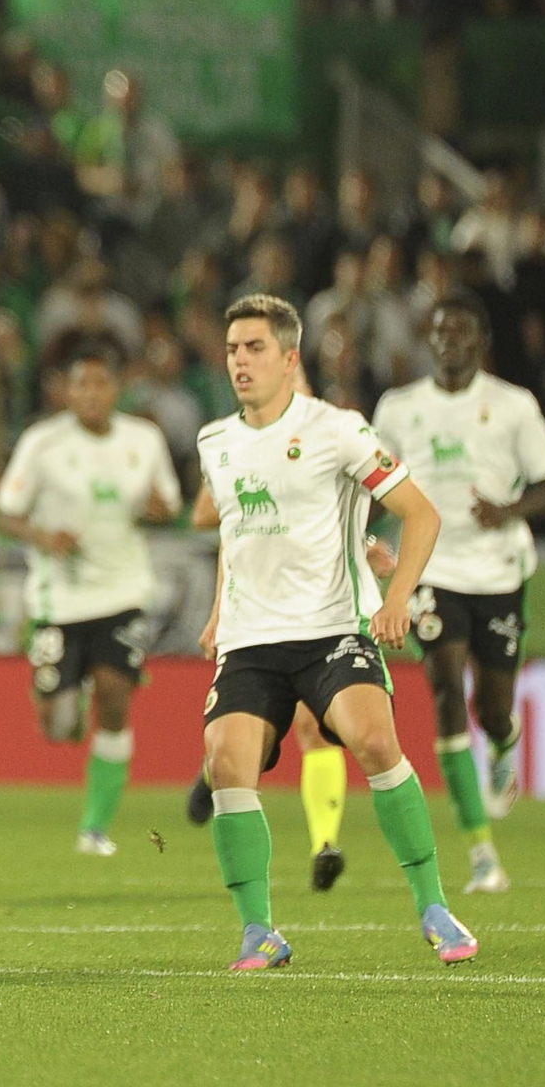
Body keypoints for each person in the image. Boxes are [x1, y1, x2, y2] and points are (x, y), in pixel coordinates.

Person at [195, 294, 476, 970]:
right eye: (233, 347)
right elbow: (235, 532)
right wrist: (217, 611)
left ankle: (434, 904)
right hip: (251, 637)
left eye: (255, 347)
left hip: (331, 629)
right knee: (224, 764)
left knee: (376, 740)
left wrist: (398, 597)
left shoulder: (339, 429)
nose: (240, 360)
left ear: (290, 359)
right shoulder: (215, 441)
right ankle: (258, 929)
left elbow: (421, 513)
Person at [373, 294, 545, 894]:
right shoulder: (399, 408)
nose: (449, 341)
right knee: (446, 694)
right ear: (428, 341)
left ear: (480, 342)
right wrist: (369, 543)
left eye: (461, 332)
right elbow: (368, 480)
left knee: (492, 707)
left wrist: (509, 510)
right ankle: (481, 851)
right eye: (439, 332)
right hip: (431, 569)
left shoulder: (513, 406)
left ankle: (505, 742)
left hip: (500, 571)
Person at [0, 344, 181, 855]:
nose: (91, 393)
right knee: (58, 726)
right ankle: (63, 699)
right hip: (61, 596)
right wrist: (42, 537)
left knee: (116, 697)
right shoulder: (43, 442)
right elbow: (7, 512)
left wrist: (160, 510)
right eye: (81, 384)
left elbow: (167, 502)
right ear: (67, 390)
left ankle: (94, 828)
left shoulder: (144, 439)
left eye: (100, 383)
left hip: (124, 590)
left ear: (115, 389)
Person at [185, 368, 356, 895]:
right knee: (245, 746)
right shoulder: (235, 440)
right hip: (256, 617)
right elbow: (211, 519)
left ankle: (324, 842)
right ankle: (212, 775)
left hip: (317, 615)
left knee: (314, 728)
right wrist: (217, 611)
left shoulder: (331, 438)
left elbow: (348, 515)